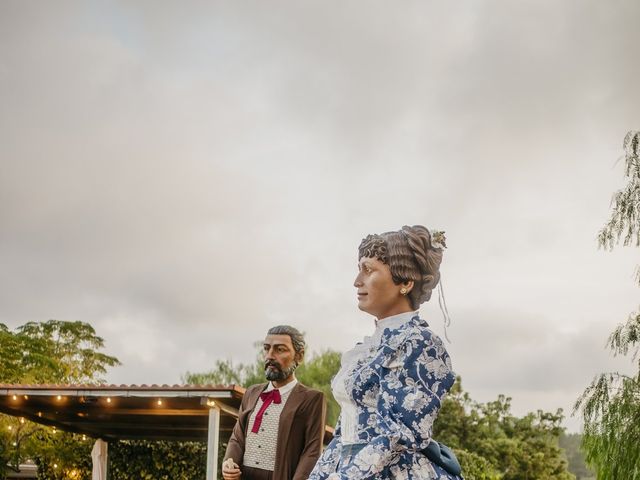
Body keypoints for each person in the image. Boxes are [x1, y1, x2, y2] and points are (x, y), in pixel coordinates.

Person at [309, 225, 464, 480]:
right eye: (359, 269)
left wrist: (348, 477)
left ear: (405, 282)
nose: (357, 281)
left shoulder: (420, 343)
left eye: (368, 270)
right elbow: (345, 431)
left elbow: (398, 435)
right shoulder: (365, 350)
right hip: (349, 467)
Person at [223, 325, 327, 480]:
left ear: (299, 356)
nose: (270, 356)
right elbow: (237, 438)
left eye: (280, 350)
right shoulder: (251, 392)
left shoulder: (312, 399)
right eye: (266, 349)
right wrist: (228, 463)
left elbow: (312, 451)